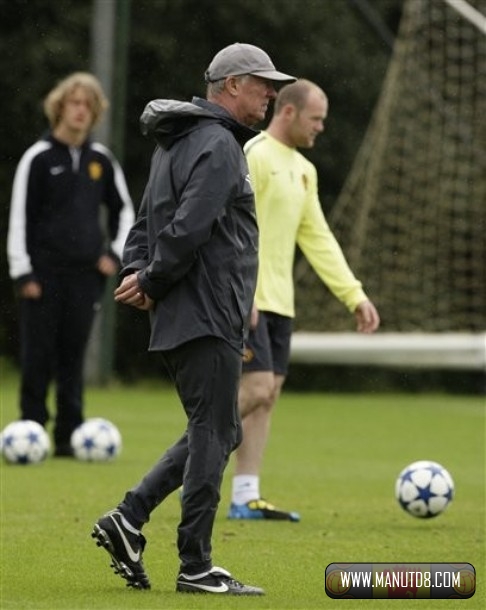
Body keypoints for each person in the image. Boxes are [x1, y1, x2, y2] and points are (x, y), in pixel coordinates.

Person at [91, 43, 295, 595]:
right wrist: (150, 279)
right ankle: (196, 565)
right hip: (208, 311)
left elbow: (143, 225)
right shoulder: (220, 144)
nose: (271, 93)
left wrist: (138, 273)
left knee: (218, 428)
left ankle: (128, 519)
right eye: (262, 83)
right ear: (231, 85)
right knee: (214, 431)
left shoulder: (175, 143)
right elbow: (190, 226)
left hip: (186, 312)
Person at [227, 79, 380, 522]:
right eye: (316, 119)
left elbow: (318, 238)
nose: (321, 128)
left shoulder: (304, 170)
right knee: (255, 389)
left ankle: (245, 496)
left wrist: (354, 295)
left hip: (281, 303)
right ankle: (189, 455)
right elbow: (232, 228)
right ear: (289, 112)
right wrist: (242, 291)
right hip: (249, 297)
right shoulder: (255, 155)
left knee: (267, 395)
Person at [6, 72, 135, 457]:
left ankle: (69, 435)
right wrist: (23, 272)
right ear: (59, 107)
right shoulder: (38, 158)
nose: (81, 111)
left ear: (95, 114)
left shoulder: (101, 160)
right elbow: (19, 218)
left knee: (73, 356)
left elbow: (125, 212)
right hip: (42, 276)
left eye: (88, 106)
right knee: (37, 356)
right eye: (75, 103)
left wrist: (114, 255)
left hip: (86, 277)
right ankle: (31, 430)